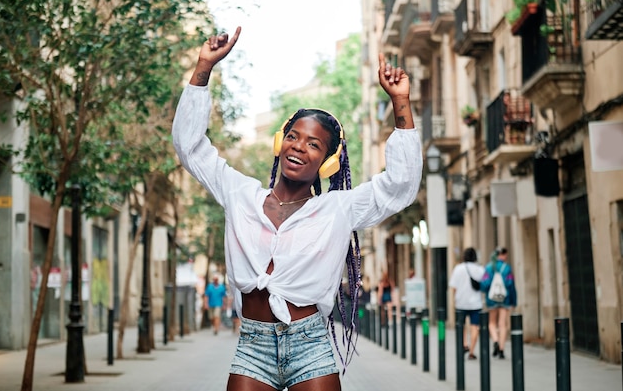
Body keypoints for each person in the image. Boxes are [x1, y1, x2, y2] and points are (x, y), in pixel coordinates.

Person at [172, 26, 422, 391]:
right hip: (252, 347)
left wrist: (401, 103)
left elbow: (400, 185)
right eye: (293, 136)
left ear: (328, 161)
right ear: (280, 142)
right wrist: (203, 68)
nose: (299, 147)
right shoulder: (240, 194)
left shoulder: (338, 209)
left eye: (314, 144)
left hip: (310, 347)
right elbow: (189, 146)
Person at [479, 247, 517, 359]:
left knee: (492, 323)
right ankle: (501, 349)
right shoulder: (507, 268)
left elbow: (484, 284)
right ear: (504, 255)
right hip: (505, 299)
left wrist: (487, 292)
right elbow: (511, 285)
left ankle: (495, 340)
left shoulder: (489, 267)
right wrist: (514, 301)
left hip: (491, 299)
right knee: (503, 324)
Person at [449, 247, 485, 360]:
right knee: (475, 327)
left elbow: (453, 287)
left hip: (461, 302)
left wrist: (455, 299)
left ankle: (464, 344)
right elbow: (483, 285)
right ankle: (472, 351)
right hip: (476, 303)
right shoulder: (480, 269)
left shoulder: (458, 269)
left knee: (462, 325)